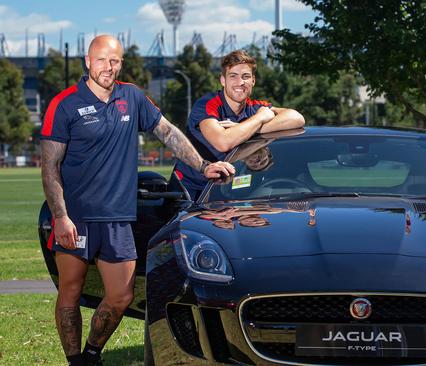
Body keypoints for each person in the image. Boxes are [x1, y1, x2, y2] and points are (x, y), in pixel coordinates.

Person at [40, 35, 235, 366]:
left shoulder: (131, 97)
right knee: (70, 293)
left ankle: (92, 352)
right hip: (77, 217)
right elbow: (49, 167)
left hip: (118, 218)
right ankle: (76, 361)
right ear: (88, 61)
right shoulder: (65, 103)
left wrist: (203, 165)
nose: (108, 67)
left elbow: (168, 133)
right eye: (102, 60)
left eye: (115, 61)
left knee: (121, 296)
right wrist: (60, 216)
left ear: (121, 64)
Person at [174, 49, 305, 200]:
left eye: (246, 76)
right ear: (223, 80)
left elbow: (297, 118)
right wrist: (259, 119)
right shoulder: (208, 104)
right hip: (188, 189)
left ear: (253, 81)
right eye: (233, 76)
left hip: (223, 190)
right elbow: (223, 142)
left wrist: (248, 128)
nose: (240, 82)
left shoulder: (254, 107)